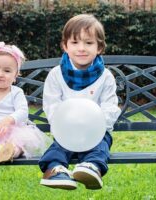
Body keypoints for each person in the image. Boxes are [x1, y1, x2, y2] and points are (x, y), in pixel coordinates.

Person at [38, 14, 121, 190]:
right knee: (58, 148)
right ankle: (54, 170)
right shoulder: (56, 74)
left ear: (99, 47)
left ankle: (92, 168)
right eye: (75, 42)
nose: (81, 48)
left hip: (96, 130)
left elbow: (110, 106)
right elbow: (51, 105)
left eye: (88, 43)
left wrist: (96, 125)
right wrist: (64, 125)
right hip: (66, 130)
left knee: (101, 146)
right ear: (65, 46)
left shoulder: (105, 77)